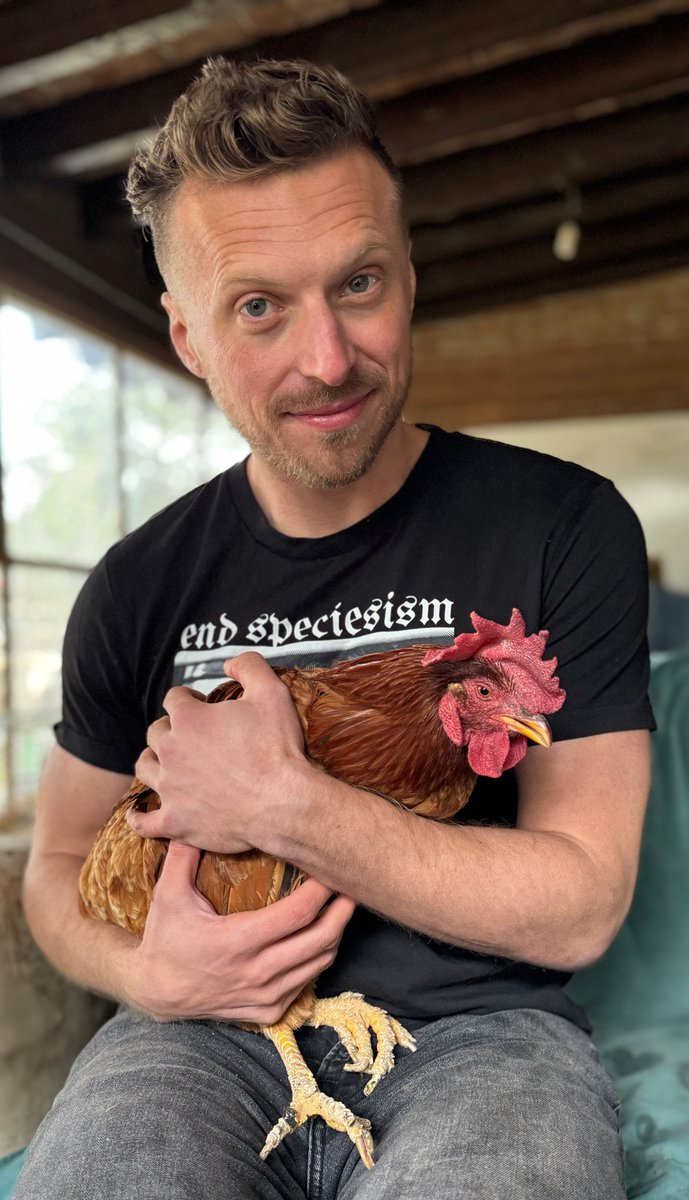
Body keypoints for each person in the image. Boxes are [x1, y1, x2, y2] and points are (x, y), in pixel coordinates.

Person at [16, 58, 653, 1199]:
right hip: (189, 1037)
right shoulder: (135, 581)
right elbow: (58, 869)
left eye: (357, 284)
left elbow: (583, 902)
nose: (326, 359)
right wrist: (148, 970)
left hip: (484, 1038)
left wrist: (288, 807)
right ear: (186, 337)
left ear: (409, 276)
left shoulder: (561, 523)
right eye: (258, 306)